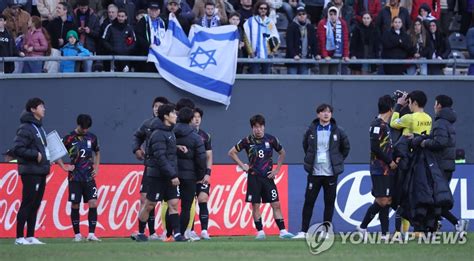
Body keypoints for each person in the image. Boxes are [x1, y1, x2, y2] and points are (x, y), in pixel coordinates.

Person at [228, 114, 294, 240]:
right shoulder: (247, 141)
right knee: (255, 205)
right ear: (252, 128)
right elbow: (231, 152)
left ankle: (283, 231)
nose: (258, 129)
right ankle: (260, 231)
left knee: (276, 204)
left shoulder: (271, 139)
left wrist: (277, 170)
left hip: (268, 178)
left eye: (260, 126)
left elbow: (282, 153)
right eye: (255, 127)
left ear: (264, 127)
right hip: (254, 177)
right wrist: (242, 165)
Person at [292, 104, 350, 239]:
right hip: (315, 172)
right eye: (323, 112)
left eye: (329, 112)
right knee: (309, 201)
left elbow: (346, 148)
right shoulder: (311, 130)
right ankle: (303, 231)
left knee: (329, 202)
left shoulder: (338, 131)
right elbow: (305, 146)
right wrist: (311, 159)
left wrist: (337, 160)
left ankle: (326, 231)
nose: (326, 114)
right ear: (318, 114)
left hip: (331, 173)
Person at [136, 104, 187, 242]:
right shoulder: (158, 133)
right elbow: (160, 157)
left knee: (174, 204)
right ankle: (140, 232)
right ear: (166, 116)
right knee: (150, 205)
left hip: (168, 174)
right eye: (173, 113)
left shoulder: (169, 131)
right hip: (157, 176)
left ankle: (177, 234)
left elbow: (166, 151)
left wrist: (176, 148)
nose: (176, 116)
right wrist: (173, 175)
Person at [420, 95, 469, 235]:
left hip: (439, 166)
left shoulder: (440, 123)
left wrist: (424, 143)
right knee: (437, 199)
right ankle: (433, 228)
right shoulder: (447, 123)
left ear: (440, 105)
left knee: (435, 199)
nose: (434, 107)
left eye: (435, 104)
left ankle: (456, 223)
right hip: (446, 165)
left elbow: (439, 143)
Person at [357, 95, 397, 240]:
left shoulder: (384, 125)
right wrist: (389, 161)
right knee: (382, 201)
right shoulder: (376, 124)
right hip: (379, 168)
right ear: (391, 109)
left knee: (386, 199)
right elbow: (375, 147)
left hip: (386, 168)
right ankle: (362, 227)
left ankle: (385, 234)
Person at [12, 98, 50, 245]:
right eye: (41, 107)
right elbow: (18, 149)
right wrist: (36, 155)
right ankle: (19, 237)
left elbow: (41, 148)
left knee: (35, 204)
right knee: (27, 203)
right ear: (33, 109)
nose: (44, 109)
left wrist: (46, 158)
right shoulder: (26, 128)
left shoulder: (39, 127)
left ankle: (30, 236)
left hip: (40, 170)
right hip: (30, 171)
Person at [57, 114, 101, 242]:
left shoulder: (92, 138)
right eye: (83, 128)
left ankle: (91, 234)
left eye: (87, 128)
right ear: (78, 125)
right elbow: (56, 152)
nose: (85, 130)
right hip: (74, 177)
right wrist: (63, 166)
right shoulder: (69, 138)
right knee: (75, 205)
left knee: (93, 202)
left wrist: (97, 168)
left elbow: (97, 152)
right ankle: (77, 235)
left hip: (88, 177)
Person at [130, 96, 169, 241]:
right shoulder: (147, 124)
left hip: (166, 169)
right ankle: (149, 232)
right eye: (155, 106)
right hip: (151, 167)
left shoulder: (171, 125)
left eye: (160, 106)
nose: (157, 108)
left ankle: (171, 232)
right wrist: (137, 149)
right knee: (145, 199)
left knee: (170, 201)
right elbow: (137, 136)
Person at [174, 107, 207, 239]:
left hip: (172, 175)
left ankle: (171, 233)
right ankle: (181, 234)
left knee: (171, 204)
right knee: (186, 207)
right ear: (191, 119)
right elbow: (201, 159)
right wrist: (200, 176)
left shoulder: (170, 133)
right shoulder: (196, 137)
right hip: (189, 176)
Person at [185, 107, 213, 240]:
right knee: (189, 202)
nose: (197, 119)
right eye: (194, 117)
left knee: (203, 199)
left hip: (202, 175)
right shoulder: (184, 134)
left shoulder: (205, 136)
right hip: (189, 175)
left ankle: (204, 230)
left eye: (199, 117)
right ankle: (189, 230)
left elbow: (209, 156)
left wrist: (208, 173)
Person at [243, 0, 280, 74]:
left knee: (267, 78)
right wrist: (251, 53)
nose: (263, 10)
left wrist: (272, 51)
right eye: (261, 8)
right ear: (257, 9)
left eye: (265, 8)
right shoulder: (250, 21)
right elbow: (246, 38)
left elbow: (275, 36)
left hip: (267, 55)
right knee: (254, 77)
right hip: (254, 55)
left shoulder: (270, 22)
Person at [285, 5, 319, 75]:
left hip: (305, 59)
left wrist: (316, 54)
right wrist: (294, 55)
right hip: (293, 59)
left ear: (306, 15)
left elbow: (314, 42)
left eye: (303, 14)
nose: (302, 16)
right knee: (292, 81)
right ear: (296, 16)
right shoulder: (291, 27)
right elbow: (289, 43)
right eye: (299, 14)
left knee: (303, 82)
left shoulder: (310, 27)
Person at [317, 6, 350, 75]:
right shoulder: (322, 23)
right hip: (324, 54)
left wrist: (346, 55)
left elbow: (345, 40)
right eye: (331, 14)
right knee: (324, 75)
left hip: (336, 53)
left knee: (334, 75)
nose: (333, 16)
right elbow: (322, 41)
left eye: (335, 14)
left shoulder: (342, 23)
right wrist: (325, 55)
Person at [134, 1, 165, 72]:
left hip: (159, 53)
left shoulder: (162, 22)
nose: (154, 12)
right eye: (152, 10)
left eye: (156, 10)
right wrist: (148, 45)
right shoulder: (143, 20)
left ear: (159, 11)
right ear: (148, 10)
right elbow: (138, 36)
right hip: (146, 53)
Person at [73, 0, 100, 72]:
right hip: (75, 46)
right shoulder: (73, 15)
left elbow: (98, 33)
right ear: (78, 6)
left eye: (85, 8)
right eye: (82, 8)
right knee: (75, 70)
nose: (84, 10)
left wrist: (90, 31)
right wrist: (77, 31)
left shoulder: (94, 17)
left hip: (89, 47)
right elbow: (69, 30)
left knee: (88, 70)